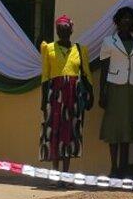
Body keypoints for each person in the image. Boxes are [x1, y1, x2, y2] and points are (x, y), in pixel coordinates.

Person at [40, 15, 93, 185]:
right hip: (55, 96)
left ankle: (66, 175)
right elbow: (45, 76)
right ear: (56, 31)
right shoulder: (49, 49)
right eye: (60, 29)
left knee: (69, 133)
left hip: (73, 97)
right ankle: (55, 174)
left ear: (71, 30)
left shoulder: (80, 50)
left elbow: (86, 74)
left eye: (66, 28)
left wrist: (90, 94)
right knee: (55, 132)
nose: (63, 31)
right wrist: (43, 101)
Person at [99, 6, 133, 177]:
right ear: (118, 21)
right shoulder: (108, 42)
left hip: (132, 88)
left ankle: (123, 167)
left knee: (128, 127)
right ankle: (114, 167)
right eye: (123, 18)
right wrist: (102, 92)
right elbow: (104, 68)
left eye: (129, 18)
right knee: (114, 127)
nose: (126, 20)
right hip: (114, 87)